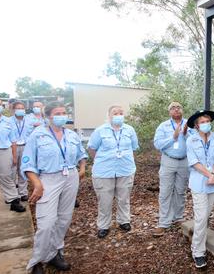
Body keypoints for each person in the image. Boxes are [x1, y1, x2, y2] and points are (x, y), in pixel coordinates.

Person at [21, 101, 87, 274]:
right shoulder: (38, 135)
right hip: (48, 179)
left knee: (64, 219)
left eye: (64, 113)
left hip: (70, 177)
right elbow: (28, 163)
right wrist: (37, 184)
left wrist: (81, 169)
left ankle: (54, 254)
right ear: (48, 116)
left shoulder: (71, 134)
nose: (61, 116)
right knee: (46, 222)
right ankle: (37, 261)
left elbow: (82, 154)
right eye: (57, 113)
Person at [88, 105, 139, 238]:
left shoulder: (129, 130)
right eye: (115, 113)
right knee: (105, 200)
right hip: (104, 171)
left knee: (124, 198)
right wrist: (101, 160)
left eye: (120, 113)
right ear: (109, 115)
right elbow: (92, 149)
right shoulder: (100, 131)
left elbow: (134, 148)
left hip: (125, 169)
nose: (118, 115)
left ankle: (124, 221)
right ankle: (104, 225)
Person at [186, 110, 214, 269]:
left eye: (207, 120)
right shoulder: (191, 140)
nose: (206, 123)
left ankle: (198, 242)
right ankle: (198, 251)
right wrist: (209, 175)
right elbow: (194, 162)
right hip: (199, 182)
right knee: (201, 217)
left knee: (206, 216)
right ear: (196, 125)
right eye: (202, 121)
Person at [152, 101, 189, 237]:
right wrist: (173, 137)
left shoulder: (189, 124)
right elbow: (157, 144)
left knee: (180, 191)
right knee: (165, 192)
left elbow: (196, 141)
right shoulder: (163, 126)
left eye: (178, 107)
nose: (176, 109)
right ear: (169, 112)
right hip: (168, 160)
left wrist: (185, 134)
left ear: (182, 110)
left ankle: (178, 218)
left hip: (184, 161)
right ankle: (164, 222)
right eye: (173, 108)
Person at [9, 101, 31, 201]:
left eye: (22, 108)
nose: (20, 110)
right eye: (18, 108)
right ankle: (13, 194)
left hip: (25, 147)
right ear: (14, 110)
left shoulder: (29, 120)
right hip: (12, 147)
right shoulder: (8, 121)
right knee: (12, 170)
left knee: (23, 170)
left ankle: (23, 193)